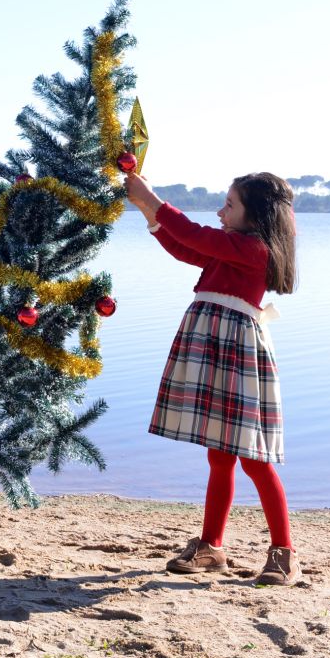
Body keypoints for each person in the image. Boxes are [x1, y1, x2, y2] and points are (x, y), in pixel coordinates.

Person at [125, 171, 300, 586]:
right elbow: (186, 247)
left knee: (254, 459)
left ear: (255, 215)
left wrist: (155, 199)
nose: (221, 211)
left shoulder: (255, 249)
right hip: (214, 346)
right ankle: (211, 548)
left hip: (237, 351)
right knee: (219, 455)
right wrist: (148, 213)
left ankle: (284, 553)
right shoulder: (233, 247)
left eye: (230, 205)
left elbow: (196, 235)